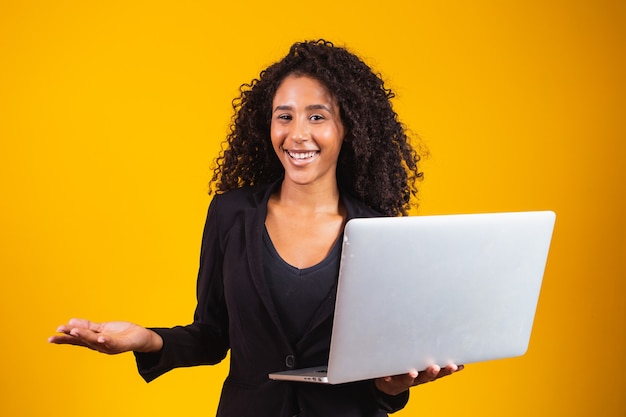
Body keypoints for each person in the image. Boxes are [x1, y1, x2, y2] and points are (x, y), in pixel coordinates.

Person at [49, 39, 463, 416]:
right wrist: (146, 339)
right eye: (285, 116)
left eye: (317, 116)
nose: (297, 134)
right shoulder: (230, 215)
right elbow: (212, 336)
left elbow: (380, 372)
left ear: (348, 128)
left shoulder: (380, 233)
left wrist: (392, 386)